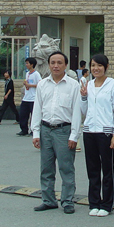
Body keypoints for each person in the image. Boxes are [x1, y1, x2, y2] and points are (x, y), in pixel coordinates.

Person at [31, 51, 82, 214]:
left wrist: (74, 135)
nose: (56, 66)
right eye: (53, 62)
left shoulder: (73, 85)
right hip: (46, 130)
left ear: (65, 65)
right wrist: (36, 133)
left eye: (59, 63)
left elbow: (77, 112)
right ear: (49, 64)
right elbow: (37, 109)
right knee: (46, 168)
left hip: (64, 131)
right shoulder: (42, 84)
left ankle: (67, 201)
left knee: (66, 168)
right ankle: (48, 200)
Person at [80, 54, 114, 217]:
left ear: (106, 67)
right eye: (93, 65)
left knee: (107, 169)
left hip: (106, 133)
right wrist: (84, 97)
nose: (95, 68)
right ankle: (94, 202)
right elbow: (84, 110)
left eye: (99, 65)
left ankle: (106, 204)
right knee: (92, 169)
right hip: (89, 131)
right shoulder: (88, 85)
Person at [17, 58, 41, 136]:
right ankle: (24, 130)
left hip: (33, 98)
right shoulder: (27, 73)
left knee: (34, 116)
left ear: (32, 64)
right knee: (23, 115)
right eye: (26, 63)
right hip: (26, 98)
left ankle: (34, 131)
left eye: (27, 63)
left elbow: (40, 85)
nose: (26, 65)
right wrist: (26, 84)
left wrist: (30, 85)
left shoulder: (36, 74)